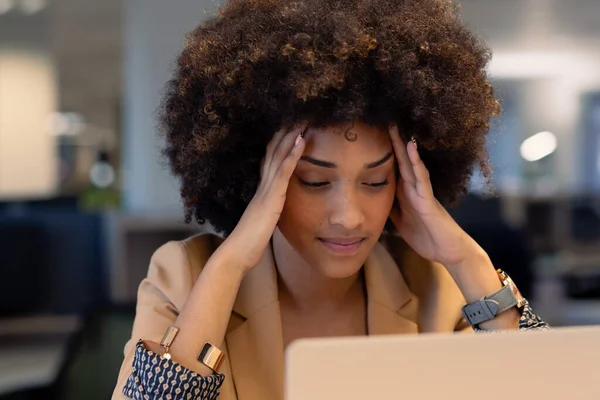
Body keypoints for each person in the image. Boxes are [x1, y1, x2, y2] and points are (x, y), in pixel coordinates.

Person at [114, 0, 548, 399]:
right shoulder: (184, 279)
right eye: (315, 182)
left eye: (376, 181)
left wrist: (467, 260)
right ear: (260, 178)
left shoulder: (436, 288)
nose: (349, 217)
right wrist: (229, 264)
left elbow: (542, 388)